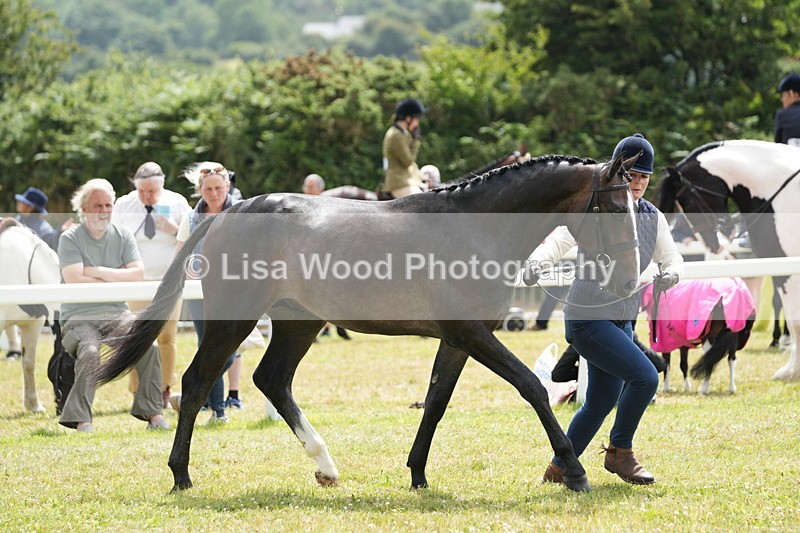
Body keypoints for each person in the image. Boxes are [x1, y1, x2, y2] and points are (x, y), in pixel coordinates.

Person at [529, 133, 684, 486]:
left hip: (623, 319)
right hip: (587, 316)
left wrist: (672, 272)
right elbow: (558, 241)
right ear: (617, 175)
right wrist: (538, 262)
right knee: (646, 377)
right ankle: (620, 452)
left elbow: (672, 257)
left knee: (600, 402)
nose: (639, 183)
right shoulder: (595, 208)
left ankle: (560, 467)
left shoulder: (652, 217)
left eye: (644, 177)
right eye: (632, 177)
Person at [57, 178, 168, 432]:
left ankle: (152, 412)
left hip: (117, 313)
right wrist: (116, 273)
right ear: (84, 208)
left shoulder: (123, 235)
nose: (104, 211)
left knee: (147, 346)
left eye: (108, 205)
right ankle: (81, 419)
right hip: (78, 317)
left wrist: (94, 270)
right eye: (97, 205)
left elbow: (137, 274)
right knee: (90, 351)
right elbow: (74, 279)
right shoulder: (70, 238)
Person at [112, 162, 191, 409]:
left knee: (167, 336)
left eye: (152, 192)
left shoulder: (177, 202)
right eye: (142, 191)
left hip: (168, 280)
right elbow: (113, 238)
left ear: (162, 186)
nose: (146, 196)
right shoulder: (124, 204)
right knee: (136, 337)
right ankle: (137, 391)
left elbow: (193, 236)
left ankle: (165, 389)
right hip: (136, 281)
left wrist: (173, 228)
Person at [173, 162, 240, 423]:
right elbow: (180, 256)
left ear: (227, 187)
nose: (214, 194)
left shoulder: (241, 214)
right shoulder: (190, 219)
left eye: (219, 188)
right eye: (209, 189)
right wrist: (191, 267)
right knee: (207, 346)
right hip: (201, 293)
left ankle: (192, 391)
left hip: (236, 294)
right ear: (200, 190)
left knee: (228, 350)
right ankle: (218, 411)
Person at [300, 173, 352, 341]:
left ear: (320, 189)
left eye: (311, 187)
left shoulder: (329, 206)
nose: (307, 190)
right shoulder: (299, 205)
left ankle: (336, 327)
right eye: (306, 187)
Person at [381, 98, 427, 198]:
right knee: (421, 205)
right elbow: (408, 161)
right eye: (417, 119)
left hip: (406, 179)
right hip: (399, 182)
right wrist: (416, 141)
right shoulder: (396, 135)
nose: (417, 124)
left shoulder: (402, 133)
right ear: (408, 118)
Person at [774, 73, 800, 146]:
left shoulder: (783, 115)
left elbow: (778, 147)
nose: (781, 99)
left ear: (792, 93)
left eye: (783, 95)